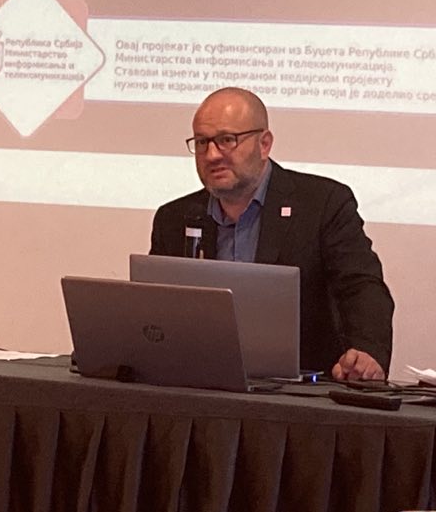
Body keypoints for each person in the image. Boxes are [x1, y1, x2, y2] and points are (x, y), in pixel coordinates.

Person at [149, 87, 394, 378]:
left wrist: (367, 352)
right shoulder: (174, 218)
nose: (211, 155)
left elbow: (361, 287)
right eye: (202, 142)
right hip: (199, 383)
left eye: (227, 140)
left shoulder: (322, 204)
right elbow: (156, 309)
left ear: (264, 144)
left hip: (299, 387)